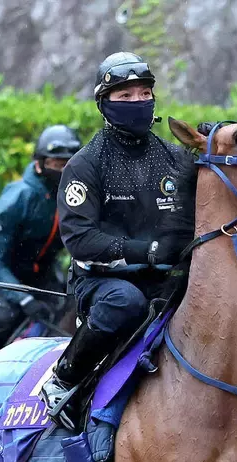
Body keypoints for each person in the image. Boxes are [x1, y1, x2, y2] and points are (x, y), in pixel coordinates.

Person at [40, 52, 195, 430]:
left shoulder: (177, 159)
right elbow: (80, 239)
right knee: (126, 302)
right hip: (102, 283)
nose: (137, 103)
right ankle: (64, 379)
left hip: (164, 278)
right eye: (125, 97)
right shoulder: (85, 164)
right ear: (104, 103)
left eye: (144, 94)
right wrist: (147, 250)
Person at [0, 125, 82, 379]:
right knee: (7, 316)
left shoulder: (73, 197)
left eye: (68, 164)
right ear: (39, 164)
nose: (62, 171)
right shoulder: (18, 199)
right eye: (55, 164)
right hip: (1, 271)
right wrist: (22, 298)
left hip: (41, 273)